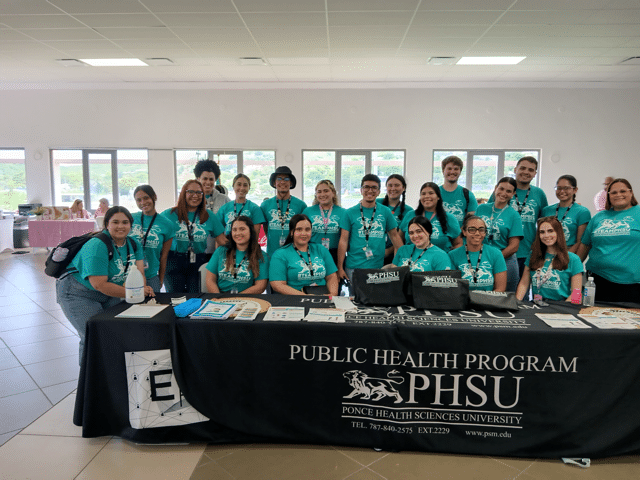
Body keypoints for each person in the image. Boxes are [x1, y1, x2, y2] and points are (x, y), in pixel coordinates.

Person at [56, 206, 152, 361]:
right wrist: (137, 292)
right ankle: (88, 382)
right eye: (115, 222)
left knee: (113, 332)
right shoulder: (97, 245)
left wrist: (141, 287)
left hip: (110, 291)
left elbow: (140, 273)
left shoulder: (133, 244)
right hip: (78, 293)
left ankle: (111, 373)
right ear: (107, 224)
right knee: (93, 335)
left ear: (130, 225)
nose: (120, 226)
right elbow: (99, 284)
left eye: (125, 222)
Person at [577, 178, 640, 302]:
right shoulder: (598, 217)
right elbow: (585, 245)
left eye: (623, 191)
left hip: (631, 283)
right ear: (608, 196)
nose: (618, 195)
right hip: (596, 280)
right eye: (614, 192)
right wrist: (573, 270)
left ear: (631, 193)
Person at [337, 174, 403, 286]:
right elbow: (343, 241)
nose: (370, 190)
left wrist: (398, 264)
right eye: (367, 187)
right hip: (354, 267)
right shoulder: (349, 213)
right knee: (356, 300)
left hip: (378, 268)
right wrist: (340, 267)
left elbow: (396, 238)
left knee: (376, 301)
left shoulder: (385, 212)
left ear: (378, 191)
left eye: (374, 188)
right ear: (361, 190)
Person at [161, 180, 226, 293]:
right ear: (183, 193)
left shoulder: (208, 216)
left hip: (198, 261)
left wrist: (245, 247)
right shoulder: (169, 214)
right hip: (174, 261)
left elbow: (222, 240)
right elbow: (156, 234)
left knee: (196, 299)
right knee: (175, 299)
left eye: (199, 193)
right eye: (191, 191)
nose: (195, 196)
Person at [491, 156, 547, 279]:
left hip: (527, 252)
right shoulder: (502, 191)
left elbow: (545, 224)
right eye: (522, 168)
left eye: (531, 170)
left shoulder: (539, 194)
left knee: (522, 293)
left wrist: (540, 249)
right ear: (515, 169)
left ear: (535, 174)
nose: (526, 172)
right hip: (501, 250)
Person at [516, 217, 584, 302]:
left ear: (558, 232)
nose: (546, 235)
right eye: (542, 232)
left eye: (550, 231)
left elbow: (576, 294)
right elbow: (523, 283)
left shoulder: (573, 259)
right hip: (537, 304)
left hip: (562, 306)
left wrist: (563, 310)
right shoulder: (532, 255)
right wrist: (516, 303)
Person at [269, 214, 338, 295]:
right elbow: (277, 285)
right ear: (291, 232)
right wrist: (305, 296)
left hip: (322, 297)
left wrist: (332, 295)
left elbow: (331, 276)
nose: (303, 233)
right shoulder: (280, 254)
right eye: (299, 229)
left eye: (307, 229)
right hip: (294, 300)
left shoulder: (321, 249)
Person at [476, 177, 524, 292]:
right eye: (501, 189)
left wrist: (495, 260)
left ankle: (576, 300)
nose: (503, 193)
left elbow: (514, 246)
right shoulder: (481, 208)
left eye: (508, 191)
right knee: (480, 294)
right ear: (495, 188)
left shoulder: (514, 215)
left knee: (503, 298)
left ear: (513, 194)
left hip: (505, 260)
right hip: (480, 258)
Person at [130, 185, 176, 292]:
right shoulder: (130, 218)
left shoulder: (167, 224)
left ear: (154, 197)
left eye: (146, 198)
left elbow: (163, 257)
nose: (143, 202)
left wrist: (160, 279)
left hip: (151, 276)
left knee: (152, 306)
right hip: (128, 275)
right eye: (138, 200)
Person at [206, 216, 268, 294]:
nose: (238, 233)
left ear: (251, 231)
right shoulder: (221, 251)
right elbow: (210, 279)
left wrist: (236, 298)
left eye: (242, 229)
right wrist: (219, 299)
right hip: (220, 297)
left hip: (247, 298)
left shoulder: (261, 255)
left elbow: (260, 286)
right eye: (234, 230)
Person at [448, 215, 507, 292]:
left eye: (481, 230)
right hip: (462, 301)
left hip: (489, 301)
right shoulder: (453, 255)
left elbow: (500, 288)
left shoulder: (496, 254)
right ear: (464, 232)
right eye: (472, 229)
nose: (477, 233)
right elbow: (452, 288)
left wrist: (485, 301)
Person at [399, 182, 462, 251]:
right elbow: (398, 239)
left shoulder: (449, 218)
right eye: (423, 194)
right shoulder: (410, 215)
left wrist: (448, 258)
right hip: (412, 260)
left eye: (431, 193)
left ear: (438, 197)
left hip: (439, 260)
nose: (427, 196)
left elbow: (458, 243)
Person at [260, 166, 308, 257]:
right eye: (279, 179)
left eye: (286, 179)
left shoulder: (301, 205)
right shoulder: (265, 205)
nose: (282, 182)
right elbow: (265, 227)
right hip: (272, 254)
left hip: (295, 254)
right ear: (274, 183)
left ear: (291, 183)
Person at [542, 175, 591, 253]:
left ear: (575, 190)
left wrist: (566, 259)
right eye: (559, 188)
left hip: (568, 254)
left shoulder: (582, 212)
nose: (562, 191)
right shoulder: (546, 210)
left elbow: (580, 242)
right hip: (547, 253)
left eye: (566, 188)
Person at [303, 179, 347, 265]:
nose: (322, 194)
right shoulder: (308, 211)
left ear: (333, 193)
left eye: (326, 191)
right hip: (313, 252)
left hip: (335, 254)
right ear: (316, 194)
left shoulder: (343, 212)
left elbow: (345, 239)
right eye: (319, 192)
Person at [378, 174, 414, 264]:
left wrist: (388, 251)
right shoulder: (376, 203)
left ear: (403, 188)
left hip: (395, 254)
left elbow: (402, 237)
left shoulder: (409, 211)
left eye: (397, 185)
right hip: (374, 254)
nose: (393, 188)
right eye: (390, 185)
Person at [439, 155, 478, 226]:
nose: (452, 172)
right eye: (449, 168)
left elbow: (471, 222)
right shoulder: (435, 193)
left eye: (456, 169)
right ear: (443, 171)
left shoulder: (467, 195)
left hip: (460, 236)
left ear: (460, 172)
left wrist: (459, 236)